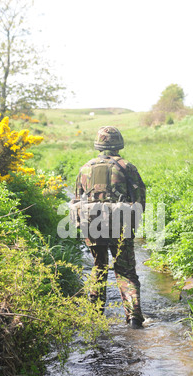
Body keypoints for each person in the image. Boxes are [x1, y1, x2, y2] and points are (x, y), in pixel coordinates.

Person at [74, 126, 146, 329]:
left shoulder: (85, 168)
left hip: (92, 225)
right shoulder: (127, 167)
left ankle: (94, 317)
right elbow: (140, 199)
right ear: (119, 143)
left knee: (98, 267)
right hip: (120, 226)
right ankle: (133, 319)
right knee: (125, 271)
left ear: (98, 144)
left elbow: (78, 200)